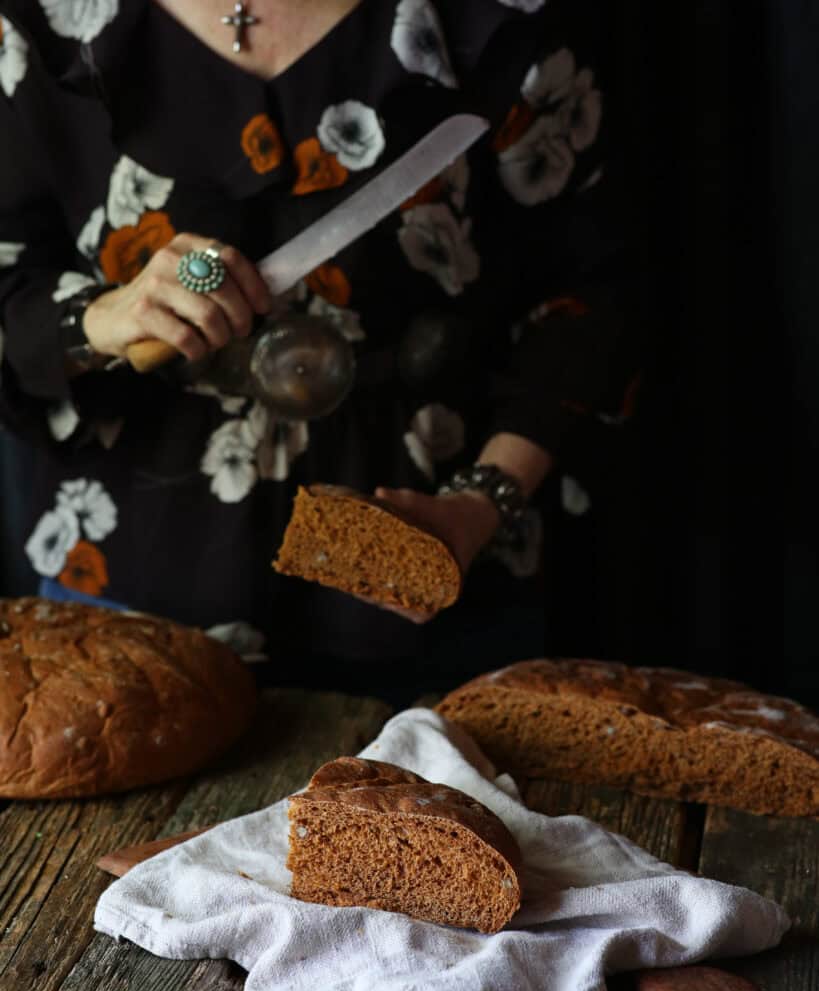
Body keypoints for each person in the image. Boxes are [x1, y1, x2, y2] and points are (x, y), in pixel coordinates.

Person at [0, 0, 642, 700]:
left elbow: (592, 300)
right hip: (130, 599)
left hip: (440, 581)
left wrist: (480, 503)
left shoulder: (491, 22)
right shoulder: (35, 29)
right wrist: (97, 317)